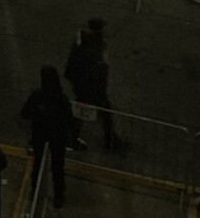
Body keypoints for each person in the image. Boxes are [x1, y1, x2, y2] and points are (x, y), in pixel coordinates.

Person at [21, 65, 80, 208]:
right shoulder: (61, 99)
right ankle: (59, 196)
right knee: (58, 167)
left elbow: (25, 113)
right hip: (58, 137)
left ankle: (35, 192)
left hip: (40, 136)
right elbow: (70, 120)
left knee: (38, 165)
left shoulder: (37, 96)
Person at [65, 18, 124, 151]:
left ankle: (108, 140)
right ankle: (108, 141)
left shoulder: (82, 43)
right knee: (99, 114)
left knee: (84, 114)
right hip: (93, 89)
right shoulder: (96, 48)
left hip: (84, 87)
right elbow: (100, 70)